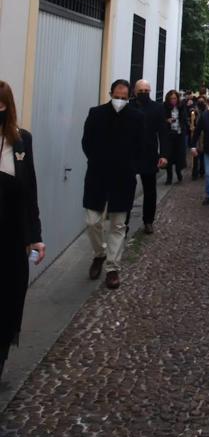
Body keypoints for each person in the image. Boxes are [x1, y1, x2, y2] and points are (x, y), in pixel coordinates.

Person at [0, 80, 45, 381]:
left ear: (4, 105)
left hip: (11, 236)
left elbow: (30, 191)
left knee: (7, 299)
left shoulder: (21, 141)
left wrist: (36, 236)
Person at [82, 79, 144, 289]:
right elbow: (86, 141)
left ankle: (112, 268)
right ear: (110, 94)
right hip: (97, 175)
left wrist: (132, 166)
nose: (119, 101)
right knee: (92, 221)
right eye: (116, 97)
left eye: (124, 98)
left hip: (123, 178)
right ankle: (99, 253)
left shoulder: (136, 116)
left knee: (118, 225)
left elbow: (141, 144)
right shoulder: (96, 113)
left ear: (129, 98)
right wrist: (96, 160)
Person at [128, 80, 169, 234]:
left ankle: (148, 221)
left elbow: (163, 133)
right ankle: (123, 222)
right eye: (141, 90)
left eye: (147, 90)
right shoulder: (128, 106)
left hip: (149, 154)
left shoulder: (157, 108)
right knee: (127, 190)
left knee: (150, 191)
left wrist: (164, 154)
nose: (144, 92)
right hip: (130, 154)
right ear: (135, 91)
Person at [163, 89, 188, 184]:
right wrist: (167, 121)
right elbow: (161, 119)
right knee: (168, 155)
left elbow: (185, 119)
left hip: (179, 134)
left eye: (175, 98)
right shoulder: (164, 107)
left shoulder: (181, 107)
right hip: (169, 135)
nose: (173, 100)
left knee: (179, 155)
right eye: (171, 98)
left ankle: (178, 172)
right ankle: (169, 177)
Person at [190, 96, 206, 180]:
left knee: (203, 154)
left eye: (202, 101)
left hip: (204, 135)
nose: (201, 103)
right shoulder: (194, 111)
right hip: (196, 134)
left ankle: (202, 170)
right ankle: (194, 173)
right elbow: (191, 120)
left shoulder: (207, 111)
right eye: (200, 101)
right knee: (195, 154)